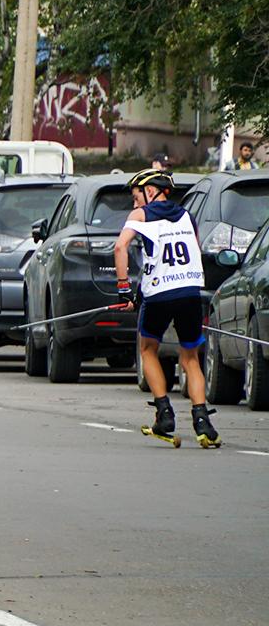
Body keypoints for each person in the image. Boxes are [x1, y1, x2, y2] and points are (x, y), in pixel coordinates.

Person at [113, 168, 220, 448]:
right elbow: (191, 252)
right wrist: (139, 290)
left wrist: (124, 288)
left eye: (137, 197)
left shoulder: (141, 216)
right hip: (189, 292)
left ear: (151, 192)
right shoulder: (187, 216)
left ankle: (164, 414)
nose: (135, 205)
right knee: (191, 358)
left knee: (148, 349)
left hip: (159, 294)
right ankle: (202, 421)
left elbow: (120, 247)